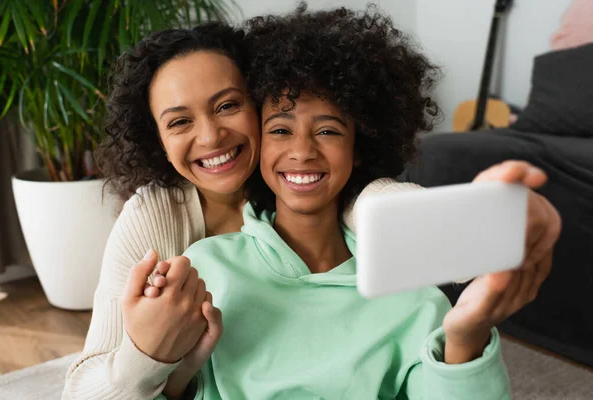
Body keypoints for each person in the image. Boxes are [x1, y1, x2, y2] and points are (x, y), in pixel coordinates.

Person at [63, 11, 560, 400]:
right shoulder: (192, 256)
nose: (211, 136)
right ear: (155, 139)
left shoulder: (412, 300)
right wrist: (153, 357)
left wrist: (468, 311)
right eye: (179, 122)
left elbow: (373, 203)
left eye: (227, 105)